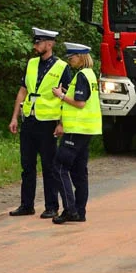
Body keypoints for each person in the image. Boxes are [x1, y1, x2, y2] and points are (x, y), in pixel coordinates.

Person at [9, 27, 74, 218]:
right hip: (29, 119)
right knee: (27, 165)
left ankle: (51, 206)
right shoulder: (31, 63)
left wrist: (61, 123)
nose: (35, 46)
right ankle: (26, 204)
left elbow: (67, 97)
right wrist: (14, 117)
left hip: (48, 122)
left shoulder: (62, 67)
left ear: (50, 44)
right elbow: (22, 91)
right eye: (35, 43)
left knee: (49, 166)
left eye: (39, 43)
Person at [50, 43, 101, 224]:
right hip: (86, 130)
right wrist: (66, 93)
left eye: (71, 57)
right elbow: (83, 98)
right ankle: (80, 211)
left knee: (59, 167)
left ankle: (70, 210)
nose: (69, 61)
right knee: (80, 172)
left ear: (80, 57)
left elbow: (80, 103)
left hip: (76, 130)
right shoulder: (90, 74)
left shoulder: (81, 75)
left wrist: (61, 95)